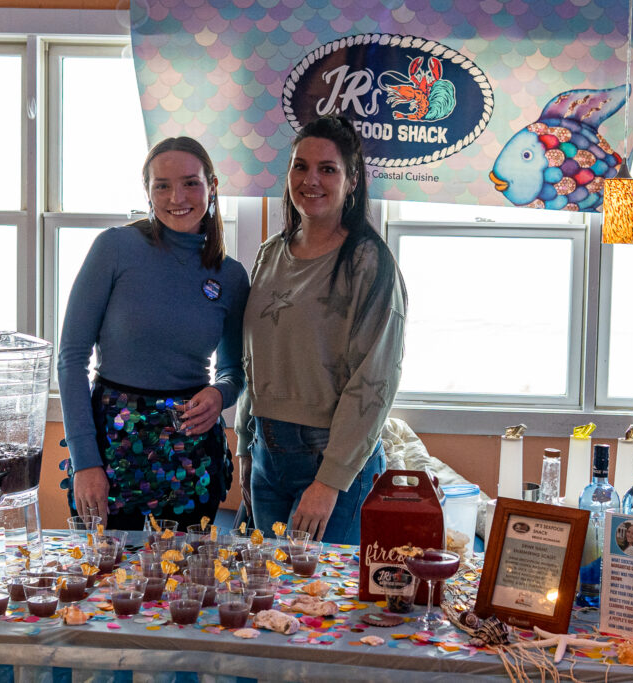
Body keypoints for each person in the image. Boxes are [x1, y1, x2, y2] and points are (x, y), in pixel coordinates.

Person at [58, 136, 249, 531]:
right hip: (112, 446)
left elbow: (233, 370)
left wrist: (219, 393)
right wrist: (85, 461)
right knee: (104, 582)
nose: (176, 196)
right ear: (147, 191)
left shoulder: (230, 275)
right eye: (162, 185)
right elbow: (71, 359)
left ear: (212, 186)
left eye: (190, 182)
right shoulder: (114, 248)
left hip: (192, 453)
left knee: (186, 587)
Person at [236, 114, 407, 545]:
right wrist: (244, 444)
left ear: (352, 181)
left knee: (318, 602)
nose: (311, 180)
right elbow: (253, 357)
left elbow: (375, 381)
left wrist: (330, 481)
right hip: (265, 453)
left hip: (329, 458)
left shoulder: (369, 263)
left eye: (327, 169)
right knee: (270, 597)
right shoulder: (269, 254)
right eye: (300, 166)